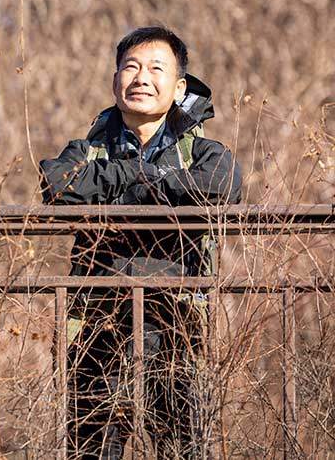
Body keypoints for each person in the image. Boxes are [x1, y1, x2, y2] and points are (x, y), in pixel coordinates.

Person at [40, 26, 241, 459]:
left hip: (177, 326)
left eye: (156, 68)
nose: (141, 78)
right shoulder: (87, 150)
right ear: (115, 81)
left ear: (179, 86)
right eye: (130, 67)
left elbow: (222, 186)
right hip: (99, 325)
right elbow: (58, 185)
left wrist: (118, 189)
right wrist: (143, 178)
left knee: (182, 450)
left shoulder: (203, 152)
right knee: (91, 452)